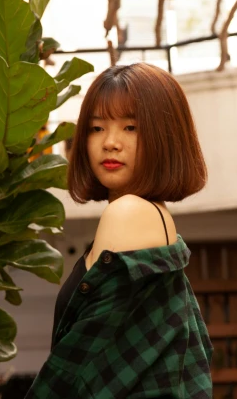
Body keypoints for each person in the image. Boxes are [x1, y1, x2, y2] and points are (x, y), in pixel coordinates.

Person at [25, 63, 213, 398]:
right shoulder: (153, 215)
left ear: (165, 135)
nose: (110, 142)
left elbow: (80, 371)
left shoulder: (128, 213)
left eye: (130, 127)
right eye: (96, 128)